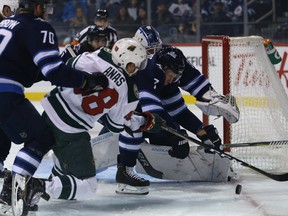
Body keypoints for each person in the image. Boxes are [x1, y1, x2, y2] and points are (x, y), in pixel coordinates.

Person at [6, 38, 163, 214]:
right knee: (88, 186)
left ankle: (10, 188)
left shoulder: (97, 56)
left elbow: (68, 67)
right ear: (130, 62)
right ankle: (38, 186)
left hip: (50, 110)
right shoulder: (129, 90)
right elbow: (116, 126)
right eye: (139, 64)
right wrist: (143, 121)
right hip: (71, 130)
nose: (138, 69)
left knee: (37, 148)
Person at [0, 0, 109, 211]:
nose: (47, 11)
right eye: (45, 6)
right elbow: (53, 72)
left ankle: (4, 193)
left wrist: (62, 62)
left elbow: (29, 70)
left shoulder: (4, 23)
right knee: (40, 137)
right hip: (5, 93)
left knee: (1, 142)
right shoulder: (38, 26)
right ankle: (14, 190)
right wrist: (88, 80)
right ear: (37, 7)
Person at [113, 26, 240, 195]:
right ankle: (124, 171)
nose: (171, 80)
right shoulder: (147, 72)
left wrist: (201, 132)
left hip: (142, 111)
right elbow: (154, 115)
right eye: (150, 50)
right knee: (136, 124)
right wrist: (176, 135)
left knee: (169, 139)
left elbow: (178, 111)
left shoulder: (168, 68)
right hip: (123, 111)